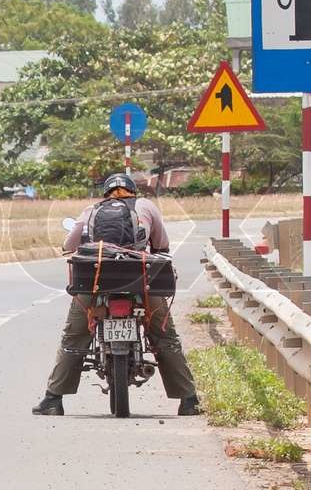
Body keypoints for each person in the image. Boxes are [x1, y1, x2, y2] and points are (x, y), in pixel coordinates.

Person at [32, 173, 201, 416]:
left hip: (96, 282)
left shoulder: (91, 210)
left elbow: (70, 245)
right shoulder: (146, 206)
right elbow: (162, 243)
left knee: (74, 338)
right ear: (133, 191)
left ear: (106, 193)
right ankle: (189, 401)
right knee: (165, 338)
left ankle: (53, 400)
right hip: (140, 280)